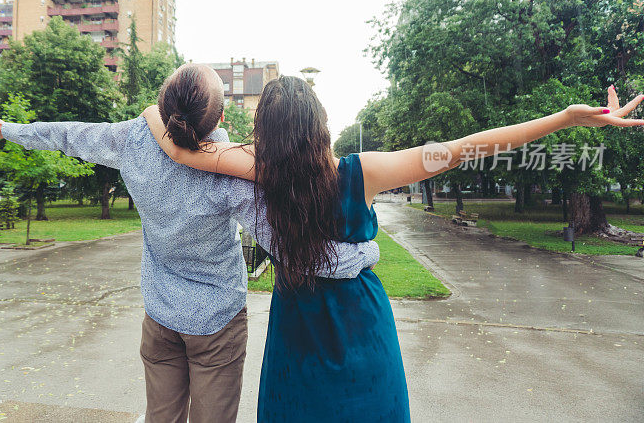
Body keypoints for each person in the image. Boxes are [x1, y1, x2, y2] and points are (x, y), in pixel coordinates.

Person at [142, 79, 644, 422]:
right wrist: (566, 118)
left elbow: (177, 144)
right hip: (363, 330)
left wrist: (151, 109)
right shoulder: (362, 173)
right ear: (319, 124)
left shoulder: (259, 170)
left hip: (296, 337)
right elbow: (468, 146)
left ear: (266, 134)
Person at [0, 64, 380, 423]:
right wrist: (362, 253)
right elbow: (294, 252)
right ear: (217, 116)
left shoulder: (132, 140)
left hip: (159, 315)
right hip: (216, 324)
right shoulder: (229, 172)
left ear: (163, 103)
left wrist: (8, 130)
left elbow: (72, 136)